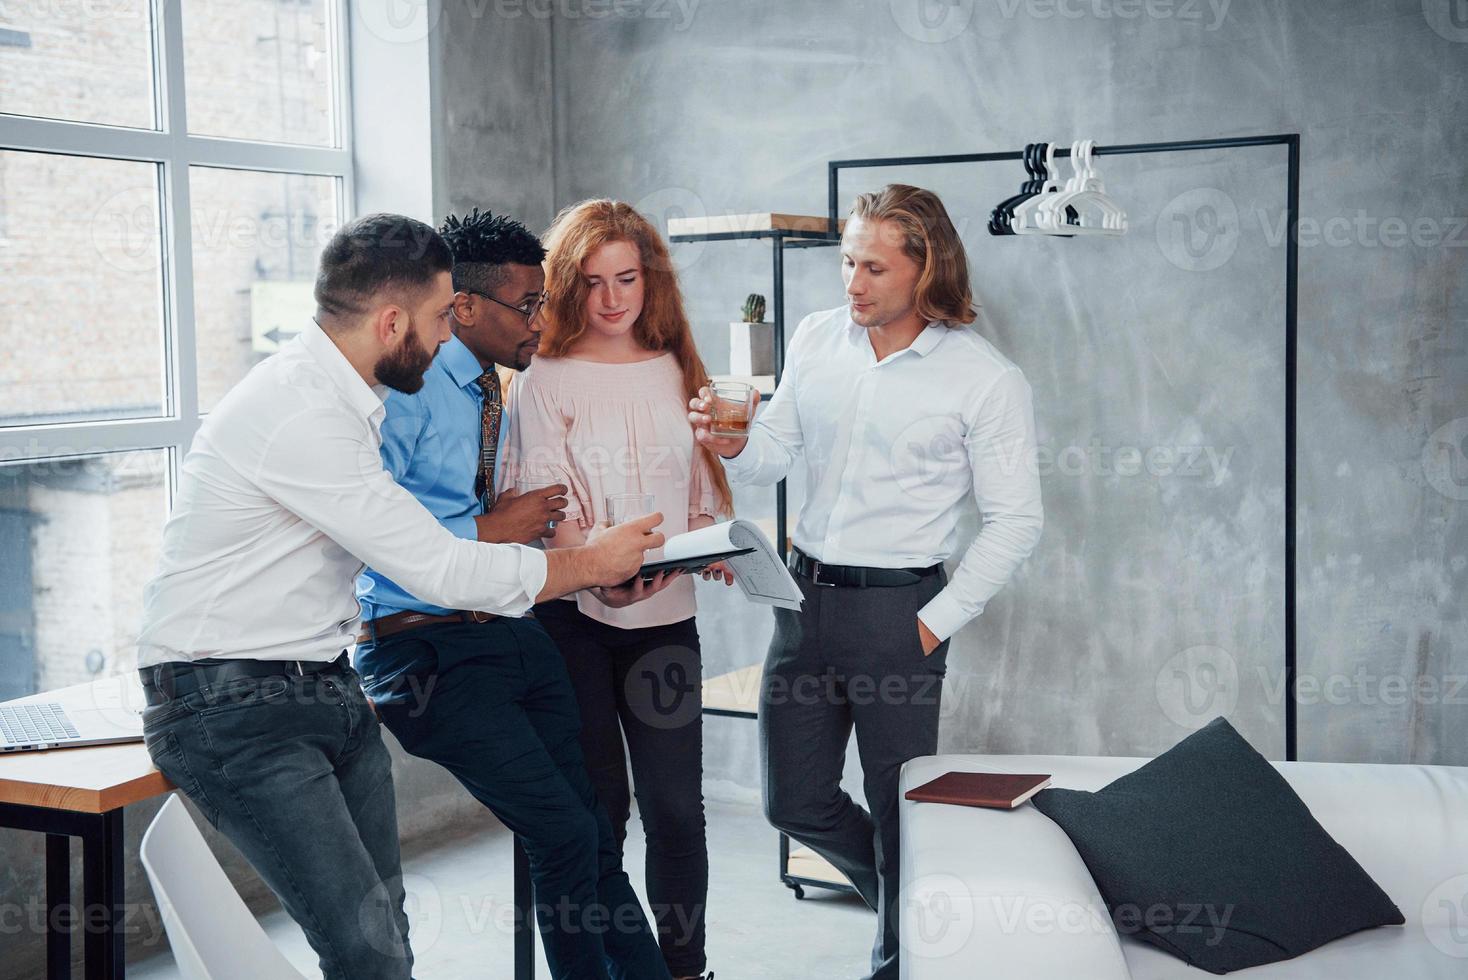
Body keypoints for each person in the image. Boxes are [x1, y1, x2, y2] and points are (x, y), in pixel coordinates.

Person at [135, 212, 666, 980]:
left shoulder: (350, 402)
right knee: (369, 951)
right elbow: (435, 566)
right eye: (443, 316)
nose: (452, 334)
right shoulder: (305, 415)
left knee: (386, 942)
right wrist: (590, 564)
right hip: (231, 705)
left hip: (322, 680)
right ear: (391, 322)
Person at [688, 184, 1044, 980]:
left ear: (927, 270)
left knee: (898, 811)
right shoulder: (818, 338)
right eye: (848, 261)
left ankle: (897, 964)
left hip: (899, 617)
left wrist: (931, 622)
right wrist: (732, 444)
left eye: (874, 268)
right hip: (802, 605)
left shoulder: (985, 380)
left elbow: (1017, 520)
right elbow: (775, 453)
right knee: (794, 802)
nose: (852, 283)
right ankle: (905, 905)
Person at [353, 207, 674, 980]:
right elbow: (379, 533)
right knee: (564, 834)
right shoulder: (406, 391)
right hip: (421, 648)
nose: (542, 321)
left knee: (591, 834)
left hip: (505, 628)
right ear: (464, 307)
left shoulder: (486, 390)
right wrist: (495, 527)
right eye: (528, 306)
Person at [510, 198, 734, 980]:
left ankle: (684, 969)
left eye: (628, 278)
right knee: (596, 815)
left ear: (651, 278)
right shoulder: (543, 377)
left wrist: (710, 544)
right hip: (573, 626)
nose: (613, 299)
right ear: (569, 285)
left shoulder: (678, 365)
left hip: (667, 624)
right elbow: (544, 498)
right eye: (595, 281)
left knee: (676, 811)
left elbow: (701, 486)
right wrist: (603, 581)